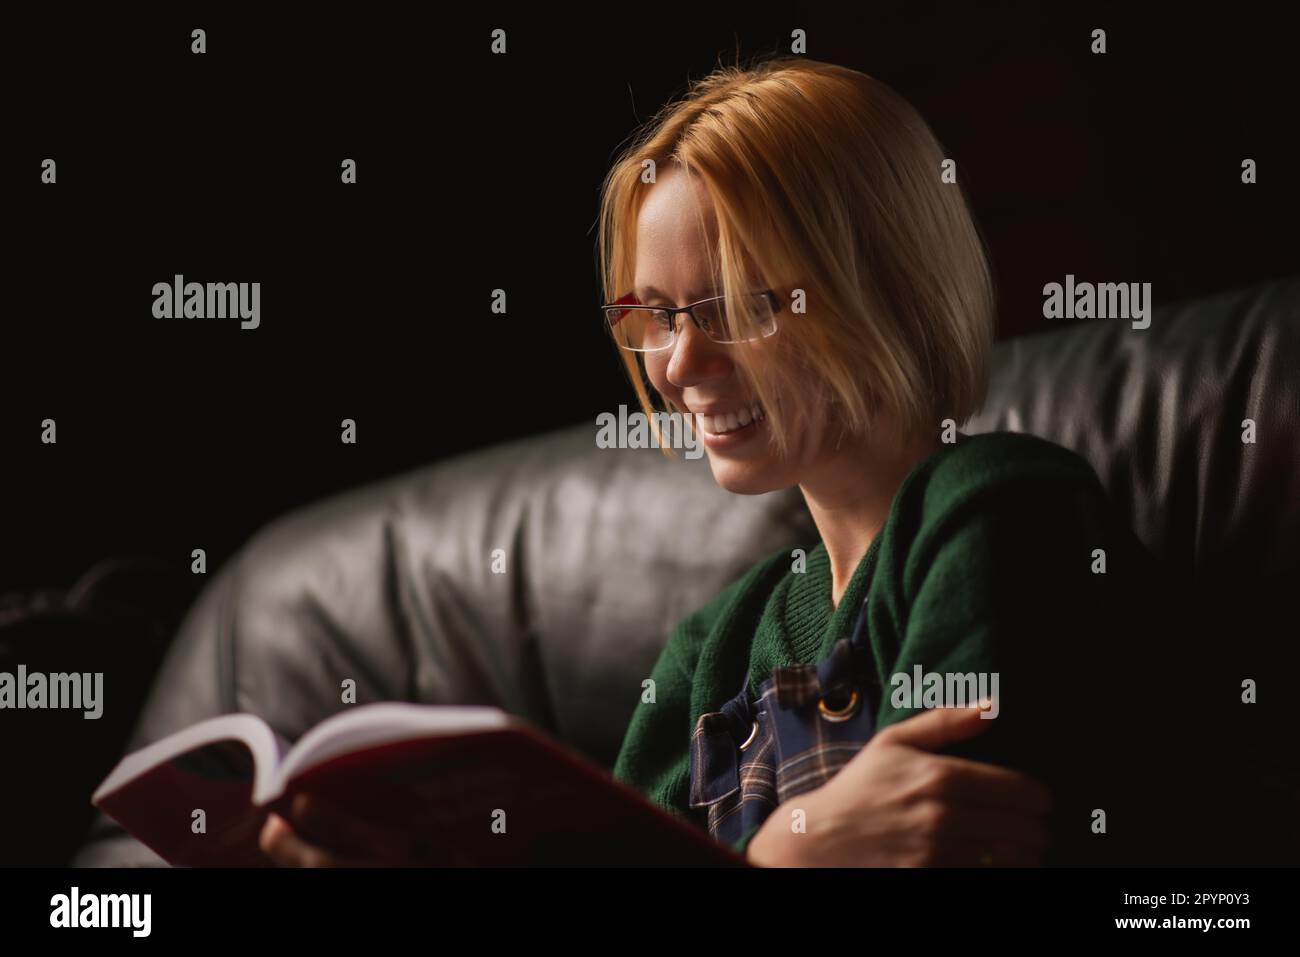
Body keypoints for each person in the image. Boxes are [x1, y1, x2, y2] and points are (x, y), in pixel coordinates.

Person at [260, 54, 1179, 867]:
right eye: (654, 316)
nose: (678, 364)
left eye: (737, 304)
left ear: (886, 284)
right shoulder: (715, 645)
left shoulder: (996, 511)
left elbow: (953, 841)